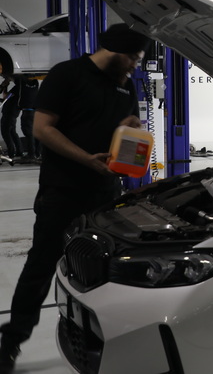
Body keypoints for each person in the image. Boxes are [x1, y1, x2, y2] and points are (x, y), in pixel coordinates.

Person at [0, 23, 150, 374]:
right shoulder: (67, 75)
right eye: (132, 57)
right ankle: (10, 344)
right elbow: (42, 129)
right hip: (63, 191)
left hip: (106, 195)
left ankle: (107, 341)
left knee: (107, 273)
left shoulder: (124, 87)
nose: (134, 65)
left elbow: (128, 130)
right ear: (113, 50)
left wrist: (133, 127)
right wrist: (86, 160)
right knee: (39, 268)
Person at [17, 76, 40, 163]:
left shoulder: (23, 83)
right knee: (34, 134)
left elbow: (19, 79)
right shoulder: (36, 84)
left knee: (28, 134)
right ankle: (36, 153)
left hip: (27, 112)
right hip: (34, 112)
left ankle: (31, 154)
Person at [0, 76, 21, 159]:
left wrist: (5, 86)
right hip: (13, 113)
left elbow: (6, 96)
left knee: (6, 133)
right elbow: (7, 99)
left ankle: (11, 153)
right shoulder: (20, 89)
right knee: (12, 132)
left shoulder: (17, 88)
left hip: (9, 114)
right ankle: (19, 151)